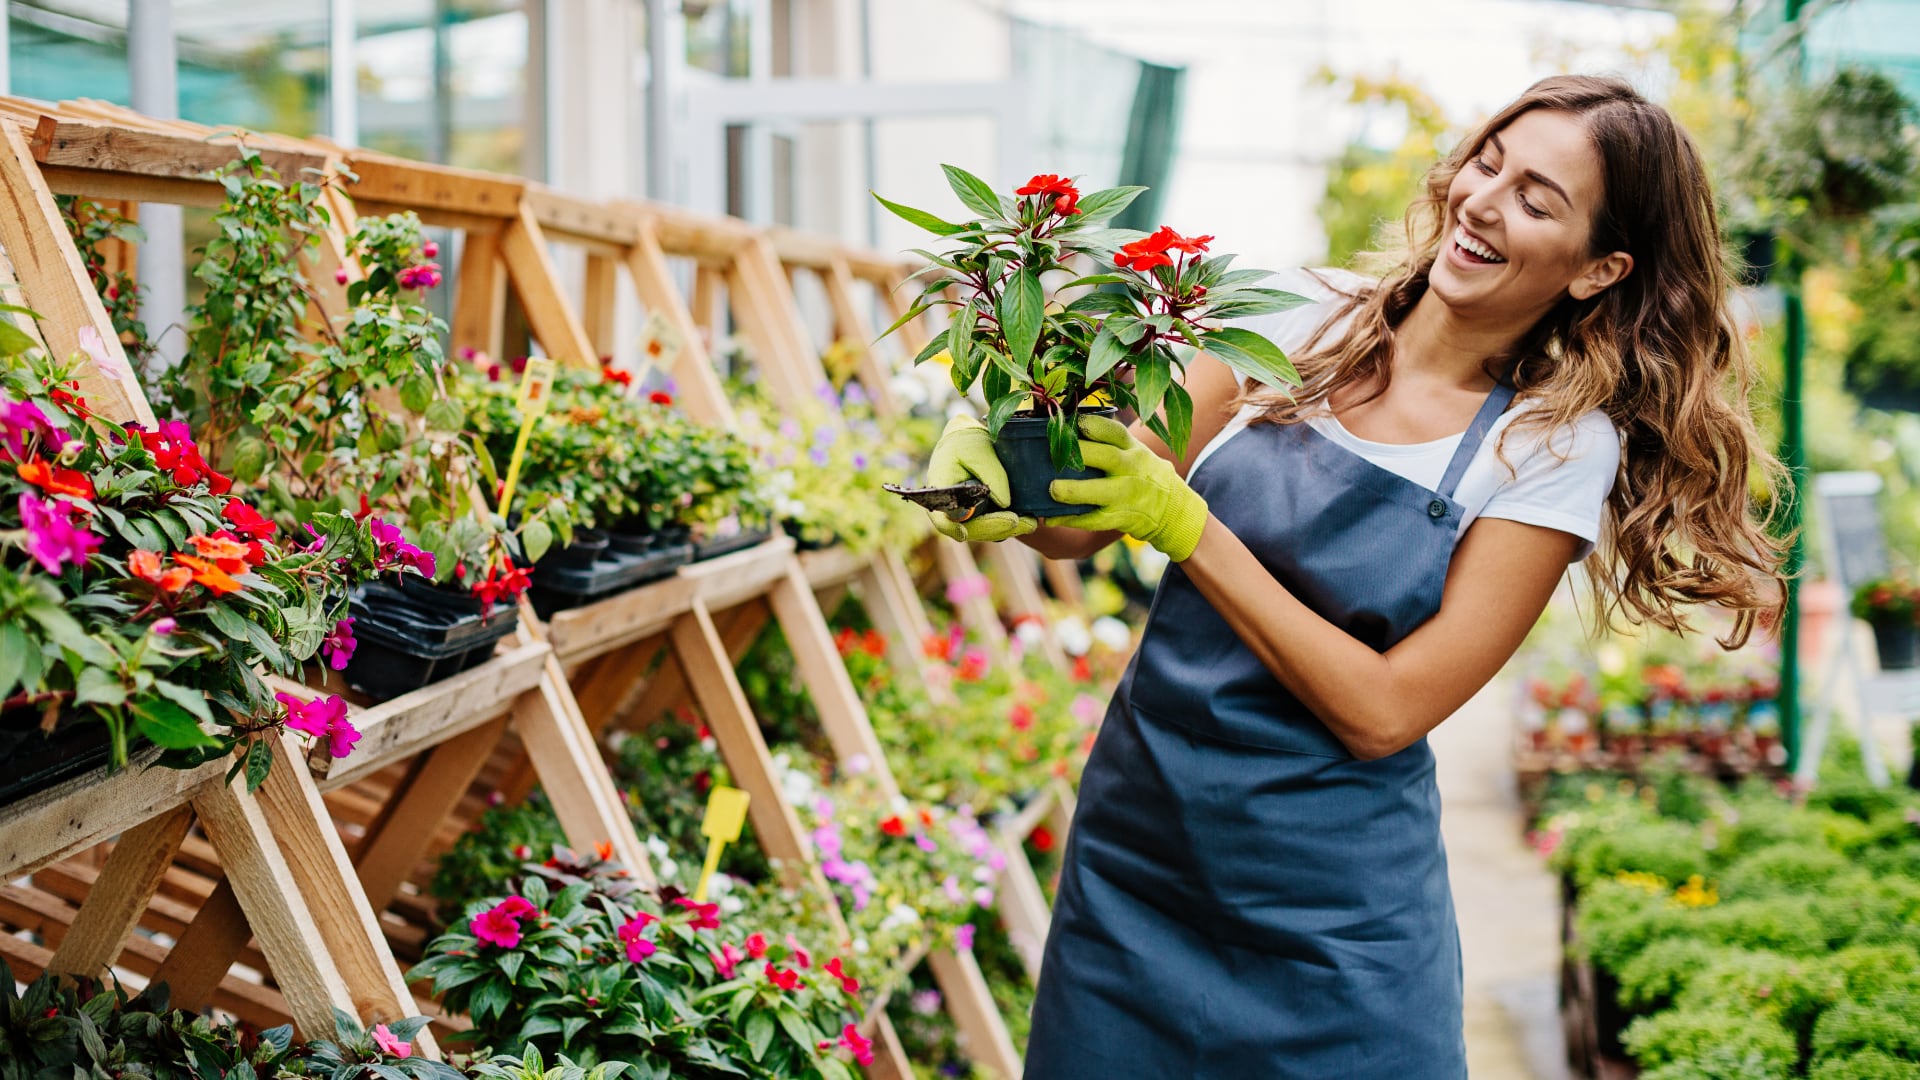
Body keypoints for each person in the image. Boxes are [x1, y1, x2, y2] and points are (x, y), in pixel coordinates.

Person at [920, 74, 1788, 1077]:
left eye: (1537, 200)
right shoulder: (1290, 318)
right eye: (1488, 163)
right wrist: (1005, 457)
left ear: (1598, 270)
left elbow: (1384, 710)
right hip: (1141, 869)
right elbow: (1086, 523)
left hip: (1335, 927)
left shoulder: (1547, 447)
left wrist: (1190, 528)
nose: (1483, 200)